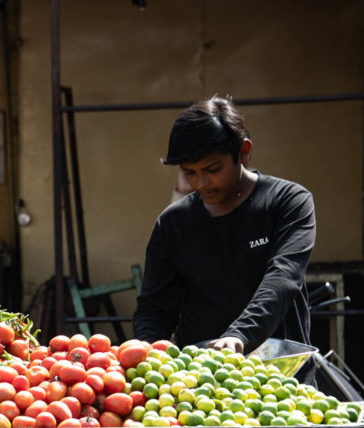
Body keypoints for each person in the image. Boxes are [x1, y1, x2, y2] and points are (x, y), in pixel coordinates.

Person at [132, 96, 316, 355]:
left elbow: (284, 277)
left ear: (244, 152)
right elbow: (155, 308)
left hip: (280, 374)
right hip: (202, 384)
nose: (201, 183)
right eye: (190, 172)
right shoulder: (172, 223)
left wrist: (239, 336)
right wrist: (148, 349)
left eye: (213, 169)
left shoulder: (288, 202)